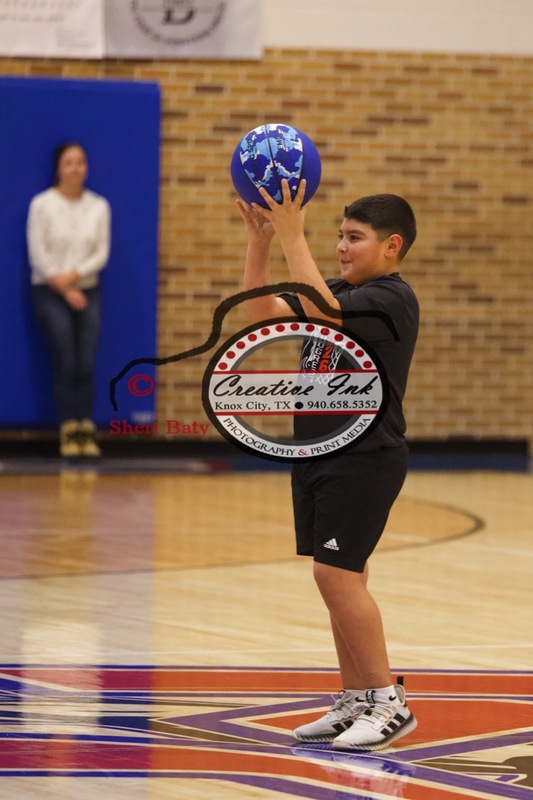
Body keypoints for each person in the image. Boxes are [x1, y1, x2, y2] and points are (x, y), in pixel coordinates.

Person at [236, 180, 419, 751]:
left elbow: (329, 313)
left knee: (334, 575)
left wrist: (295, 233)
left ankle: (388, 702)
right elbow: (260, 314)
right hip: (318, 455)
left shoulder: (390, 298)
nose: (342, 246)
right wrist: (261, 241)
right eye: (339, 235)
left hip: (364, 457)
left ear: (391, 247)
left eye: (355, 238)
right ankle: (356, 698)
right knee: (344, 578)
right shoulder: (336, 288)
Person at [27, 142, 111, 458]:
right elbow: (38, 252)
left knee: (86, 361)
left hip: (87, 290)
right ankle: (68, 430)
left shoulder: (99, 206)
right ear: (58, 168)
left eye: (80, 162)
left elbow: (101, 252)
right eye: (68, 163)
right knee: (66, 359)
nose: (74, 168)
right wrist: (63, 287)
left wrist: (74, 278)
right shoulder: (42, 204)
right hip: (49, 291)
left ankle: (86, 429)